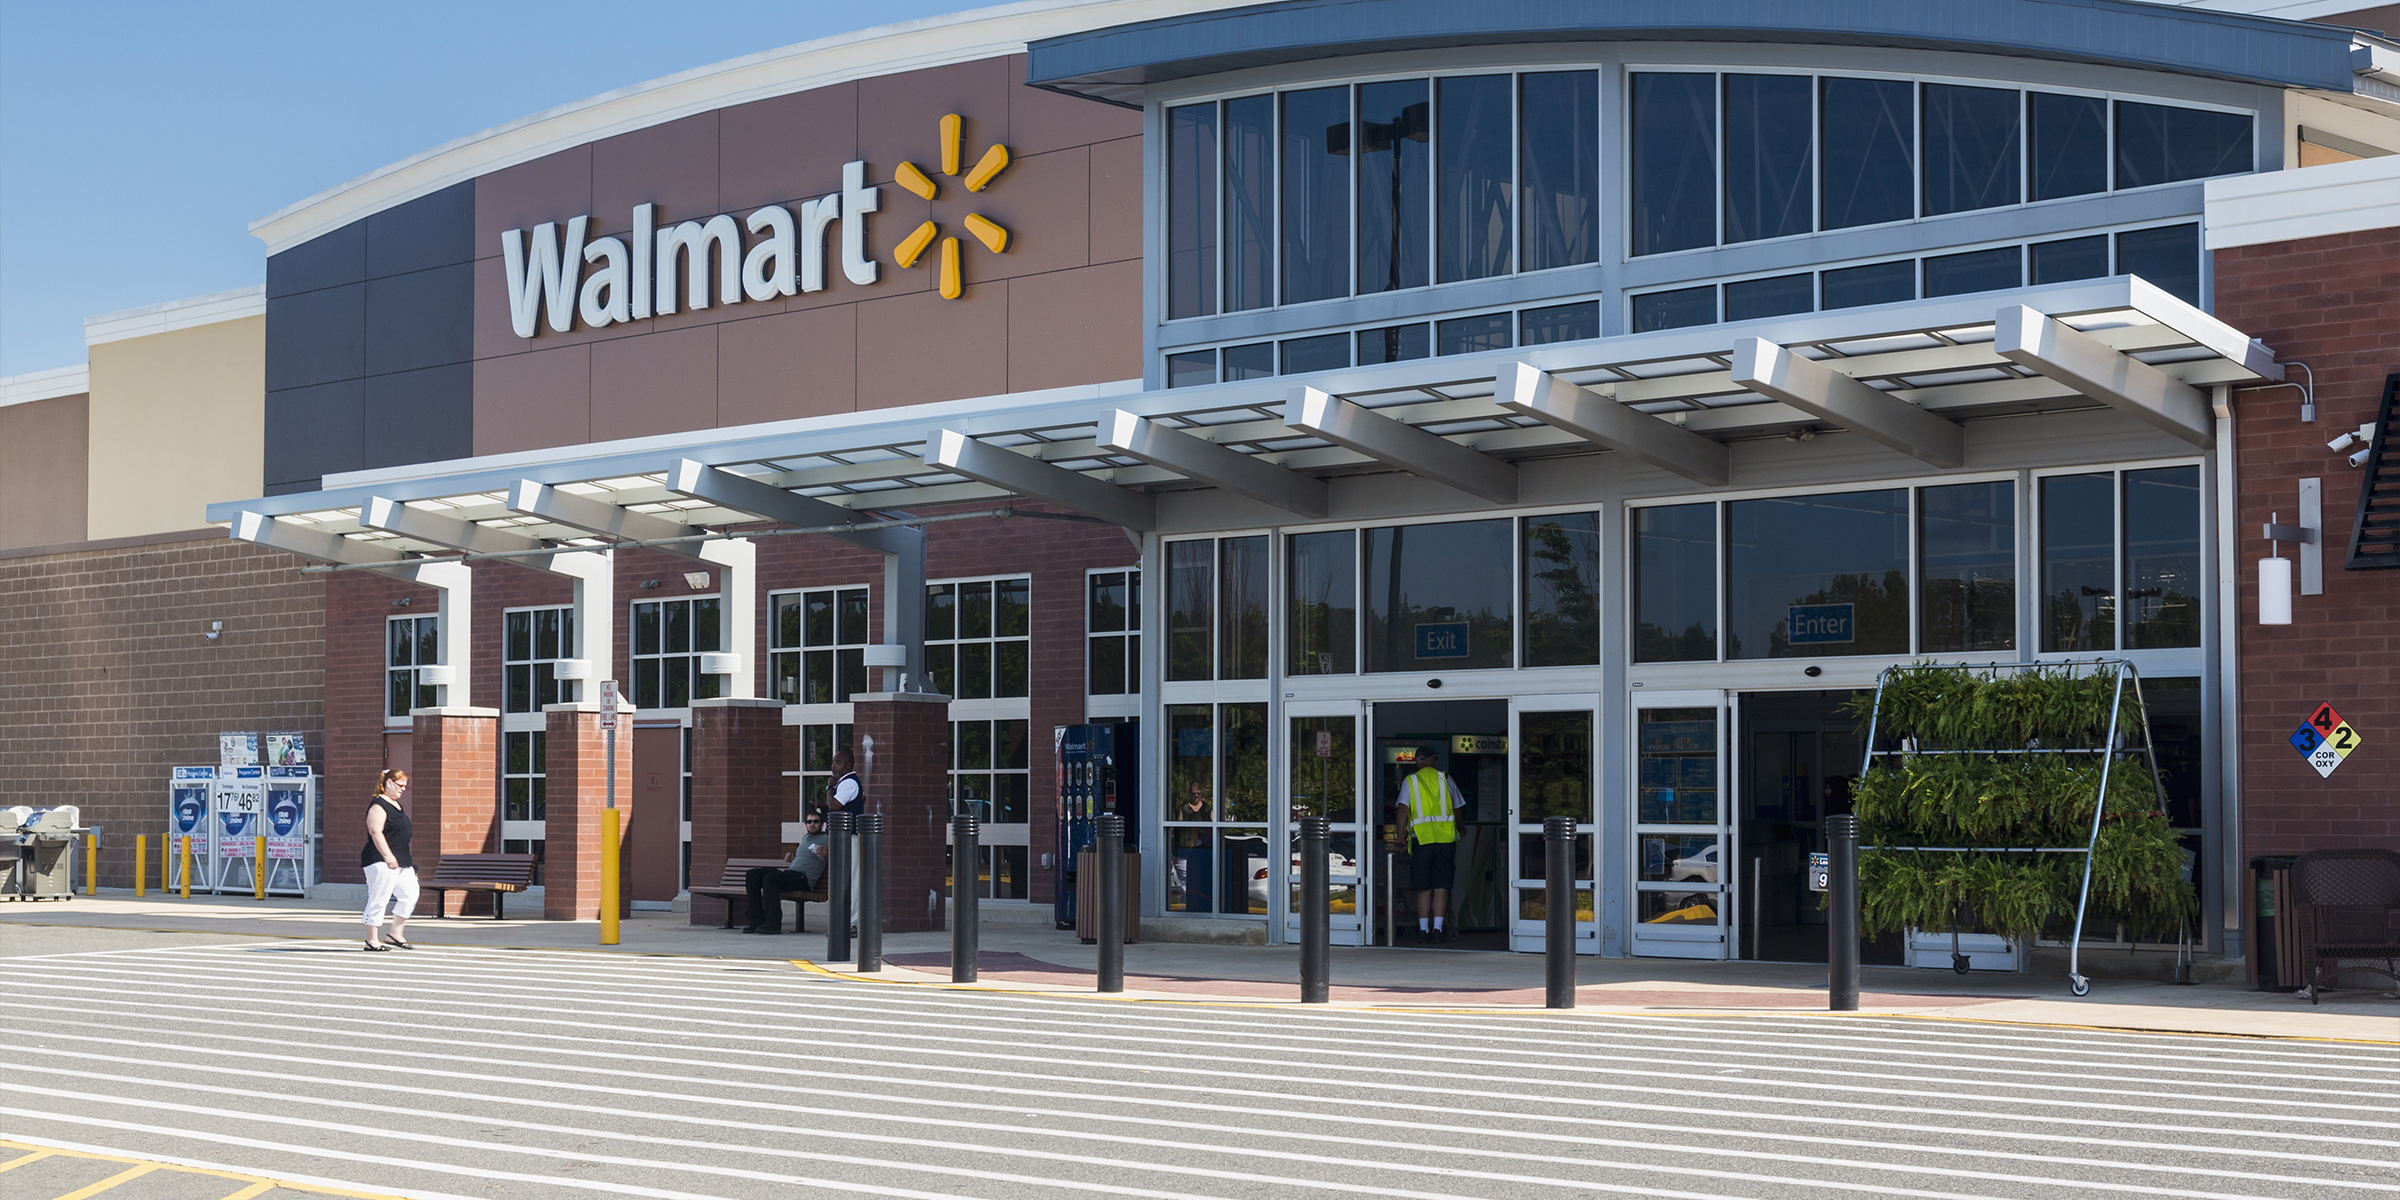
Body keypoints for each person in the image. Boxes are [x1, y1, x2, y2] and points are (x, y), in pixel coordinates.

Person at [1398, 755, 1461, 943]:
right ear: (1434, 759)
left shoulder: (1410, 781)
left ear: (1417, 761)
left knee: (1423, 887)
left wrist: (1400, 838)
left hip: (1422, 841)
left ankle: (1423, 930)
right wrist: (1460, 827)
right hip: (1446, 841)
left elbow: (1402, 809)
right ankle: (1438, 929)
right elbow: (1458, 808)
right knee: (1441, 886)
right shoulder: (1446, 778)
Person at [743, 808, 829, 934]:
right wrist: (792, 857)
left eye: (816, 821)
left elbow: (841, 856)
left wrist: (828, 853)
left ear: (822, 824)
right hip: (791, 873)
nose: (812, 824)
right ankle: (756, 920)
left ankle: (773, 923)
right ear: (805, 824)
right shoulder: (805, 838)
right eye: (809, 822)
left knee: (770, 879)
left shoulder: (827, 839)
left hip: (803, 879)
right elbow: (806, 858)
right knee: (752, 875)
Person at [359, 769, 418, 951]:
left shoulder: (396, 804)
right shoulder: (378, 805)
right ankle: (372, 940)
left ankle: (395, 933)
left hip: (402, 861)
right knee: (379, 898)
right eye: (400, 785)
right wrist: (387, 856)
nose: (402, 789)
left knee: (410, 894)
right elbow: (375, 832)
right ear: (389, 783)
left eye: (404, 787)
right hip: (381, 860)